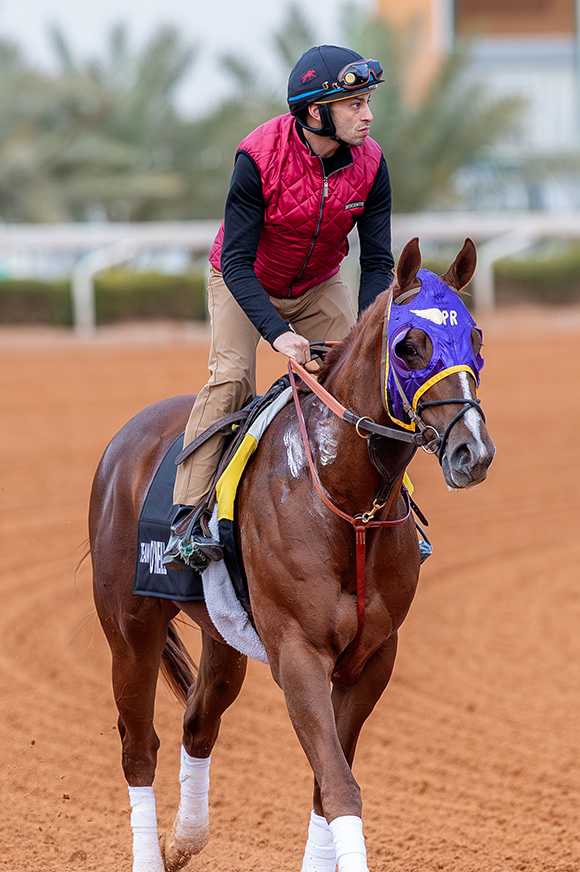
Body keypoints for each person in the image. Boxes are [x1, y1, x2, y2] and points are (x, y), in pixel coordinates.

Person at [163, 44, 395, 572]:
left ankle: (387, 512)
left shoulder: (373, 163)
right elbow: (239, 263)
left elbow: (378, 261)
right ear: (316, 112)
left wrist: (363, 332)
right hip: (244, 280)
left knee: (364, 380)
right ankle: (187, 518)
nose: (368, 115)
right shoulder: (257, 157)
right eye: (355, 104)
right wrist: (277, 334)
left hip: (318, 283)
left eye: (367, 102)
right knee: (232, 378)